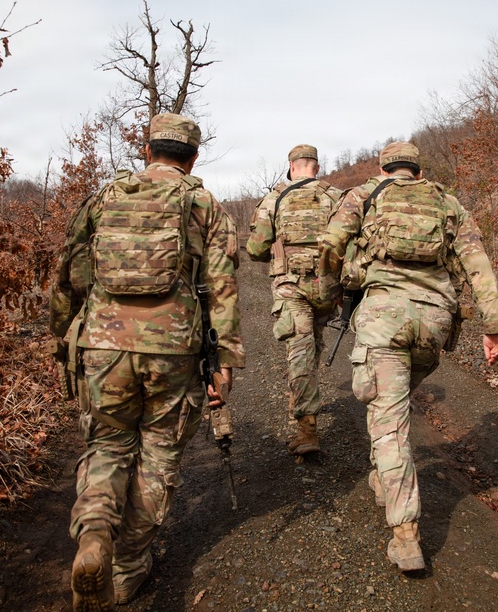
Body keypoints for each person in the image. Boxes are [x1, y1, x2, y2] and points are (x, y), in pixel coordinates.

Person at [49, 113, 244, 610]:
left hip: (103, 347)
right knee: (158, 455)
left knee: (107, 446)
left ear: (147, 150)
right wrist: (224, 359)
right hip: (173, 351)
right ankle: (127, 564)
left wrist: (64, 340)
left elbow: (68, 272)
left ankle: (94, 535)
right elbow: (222, 287)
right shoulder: (203, 204)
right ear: (193, 157)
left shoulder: (104, 196)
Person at [318, 141, 498, 572]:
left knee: (390, 423)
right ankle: (383, 473)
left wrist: (332, 289)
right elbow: (478, 266)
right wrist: (495, 328)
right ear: (419, 172)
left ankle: (405, 535)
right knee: (394, 404)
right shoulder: (447, 202)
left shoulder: (364, 196)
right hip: (434, 322)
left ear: (383, 170)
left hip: (384, 318)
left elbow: (329, 245)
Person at [246, 144, 341, 454]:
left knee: (299, 350)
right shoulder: (335, 197)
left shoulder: (275, 199)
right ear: (316, 166)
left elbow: (257, 248)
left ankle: (307, 428)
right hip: (326, 286)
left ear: (291, 166)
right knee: (311, 343)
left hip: (292, 287)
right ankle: (301, 397)